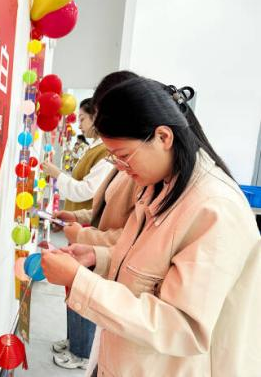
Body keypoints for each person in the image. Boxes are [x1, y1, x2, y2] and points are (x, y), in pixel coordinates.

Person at [40, 77, 261, 376]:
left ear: (163, 137)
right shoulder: (160, 185)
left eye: (124, 156)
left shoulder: (216, 208)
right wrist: (97, 258)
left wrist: (80, 282)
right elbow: (149, 262)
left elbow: (182, 327)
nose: (122, 168)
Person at [42, 98, 114, 370]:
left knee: (81, 287)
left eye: (83, 118)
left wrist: (57, 174)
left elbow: (86, 191)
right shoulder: (94, 148)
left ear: (96, 117)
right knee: (72, 287)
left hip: (89, 230)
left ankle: (82, 351)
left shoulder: (107, 153)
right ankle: (76, 340)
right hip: (80, 224)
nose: (80, 124)